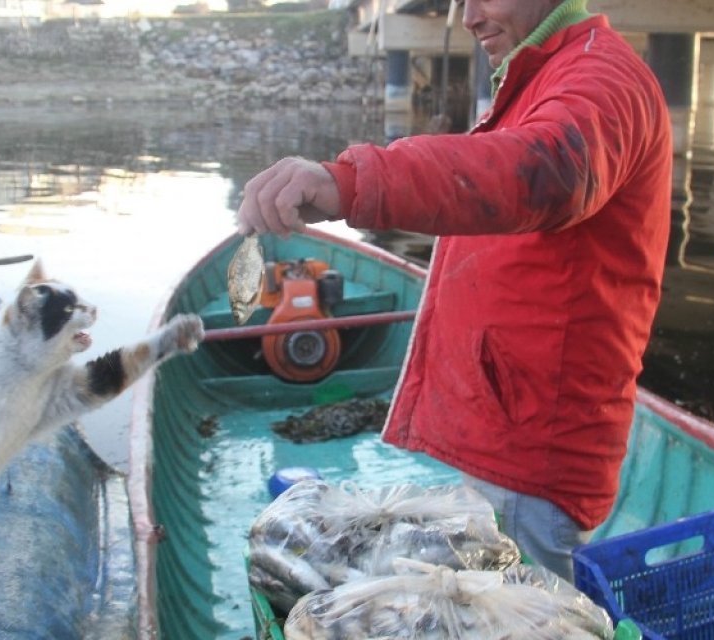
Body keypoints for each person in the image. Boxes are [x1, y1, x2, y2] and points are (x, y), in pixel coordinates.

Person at [236, 0, 671, 582]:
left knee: (516, 613)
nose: (467, 17)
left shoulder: (601, 77)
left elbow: (548, 171)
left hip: (534, 447)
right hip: (510, 425)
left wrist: (350, 183)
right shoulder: (543, 73)